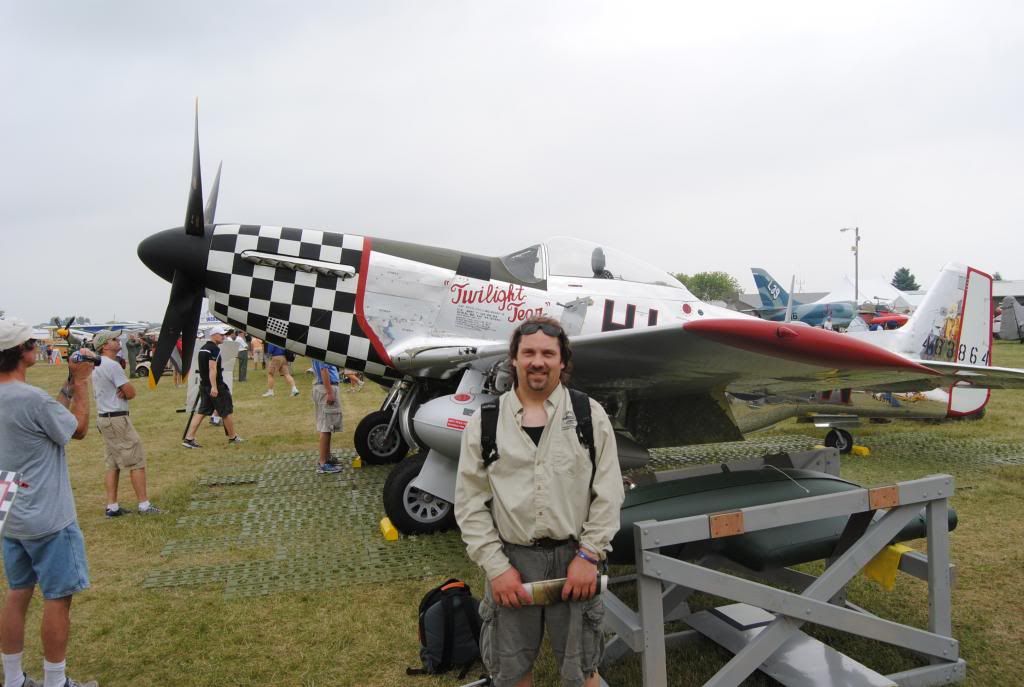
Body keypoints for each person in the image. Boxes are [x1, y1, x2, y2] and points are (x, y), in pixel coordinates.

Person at [455, 316, 624, 687]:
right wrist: (496, 568)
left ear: (563, 361)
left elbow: (609, 492)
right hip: (512, 560)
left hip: (575, 559)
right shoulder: (485, 422)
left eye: (548, 353)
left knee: (583, 673)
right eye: (528, 352)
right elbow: (469, 505)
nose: (538, 361)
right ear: (513, 358)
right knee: (510, 672)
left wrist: (589, 555)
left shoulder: (588, 415)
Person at [0, 317, 99, 687]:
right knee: (58, 597)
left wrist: (70, 382)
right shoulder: (31, 399)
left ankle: (13, 679)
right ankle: (56, 682)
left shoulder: (22, 399)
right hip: (47, 514)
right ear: (23, 352)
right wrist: (84, 383)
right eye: (32, 344)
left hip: (11, 510)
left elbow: (49, 419)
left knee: (17, 592)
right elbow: (78, 429)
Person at [90, 330, 160, 517]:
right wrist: (125, 389)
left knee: (112, 463)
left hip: (105, 417)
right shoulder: (112, 365)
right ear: (105, 345)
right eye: (113, 339)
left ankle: (112, 506)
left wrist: (123, 389)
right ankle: (144, 505)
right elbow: (130, 392)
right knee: (136, 459)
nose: (117, 341)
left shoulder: (98, 364)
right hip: (116, 417)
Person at [182, 326, 243, 448]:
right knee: (226, 411)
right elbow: (212, 368)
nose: (223, 337)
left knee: (201, 412)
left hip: (203, 385)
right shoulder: (214, 349)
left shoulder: (203, 349)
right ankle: (233, 437)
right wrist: (214, 387)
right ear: (214, 335)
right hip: (215, 386)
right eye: (221, 335)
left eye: (224, 335)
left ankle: (189, 438)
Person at [311, 359, 343, 474]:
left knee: (325, 426)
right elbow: (324, 370)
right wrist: (329, 392)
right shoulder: (321, 350)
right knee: (326, 427)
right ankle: (323, 463)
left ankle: (327, 457)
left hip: (321, 387)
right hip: (326, 388)